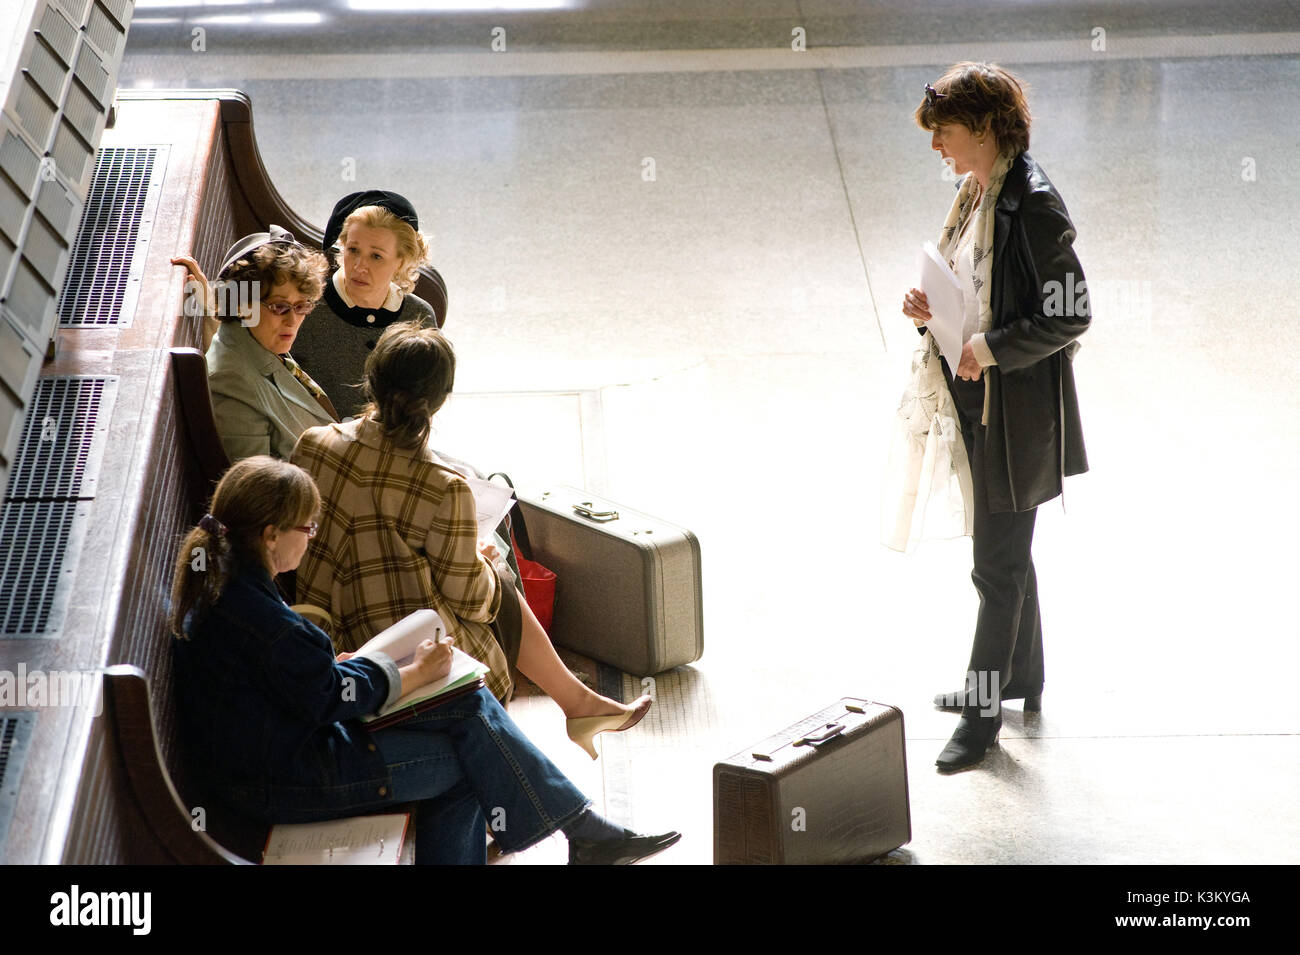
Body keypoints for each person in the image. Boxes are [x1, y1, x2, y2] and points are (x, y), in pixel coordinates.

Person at [169, 455, 680, 864]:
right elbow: (327, 700)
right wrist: (411, 671)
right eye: (309, 528)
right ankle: (583, 831)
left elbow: (301, 686)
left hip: (268, 756)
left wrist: (345, 668)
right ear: (270, 534)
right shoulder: (264, 617)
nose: (312, 537)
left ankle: (583, 832)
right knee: (469, 756)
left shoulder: (226, 581)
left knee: (470, 709)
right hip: (285, 779)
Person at [291, 322, 652, 760]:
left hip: (318, 626)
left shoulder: (313, 443)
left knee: (489, 570)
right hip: (397, 647)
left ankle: (578, 705)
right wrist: (479, 560)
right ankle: (575, 707)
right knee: (496, 576)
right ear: (439, 401)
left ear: (372, 379)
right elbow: (469, 600)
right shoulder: (443, 485)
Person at [901, 62, 1090, 772]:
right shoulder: (978, 192)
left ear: (982, 128)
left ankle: (983, 717)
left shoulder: (1034, 205)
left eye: (943, 133)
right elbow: (969, 284)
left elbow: (1072, 312)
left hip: (1017, 413)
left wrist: (988, 347)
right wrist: (931, 311)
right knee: (1007, 551)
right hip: (981, 400)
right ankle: (1019, 676)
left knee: (995, 567)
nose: (936, 147)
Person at [172, 227, 337, 461]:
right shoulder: (231, 384)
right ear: (241, 302)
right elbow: (257, 490)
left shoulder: (257, 339)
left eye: (302, 306)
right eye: (279, 307)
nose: (293, 320)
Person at [290, 191, 438, 419]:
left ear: (401, 261)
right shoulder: (305, 309)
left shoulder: (418, 316)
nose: (359, 266)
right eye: (353, 250)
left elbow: (425, 402)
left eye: (376, 256)